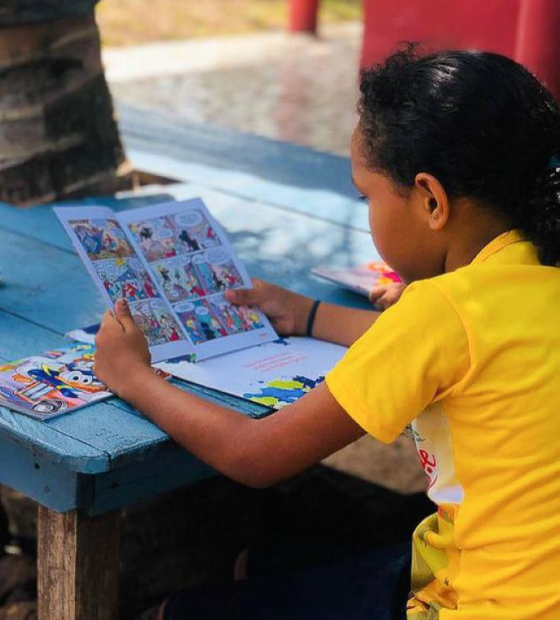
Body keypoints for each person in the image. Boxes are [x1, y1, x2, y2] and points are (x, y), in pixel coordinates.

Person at [94, 47, 560, 620]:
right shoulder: (531, 277)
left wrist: (133, 377)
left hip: (481, 604)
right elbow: (446, 348)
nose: (366, 211)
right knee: (264, 562)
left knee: (182, 611)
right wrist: (307, 315)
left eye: (367, 196)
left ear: (432, 200)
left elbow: (255, 456)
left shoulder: (441, 309)